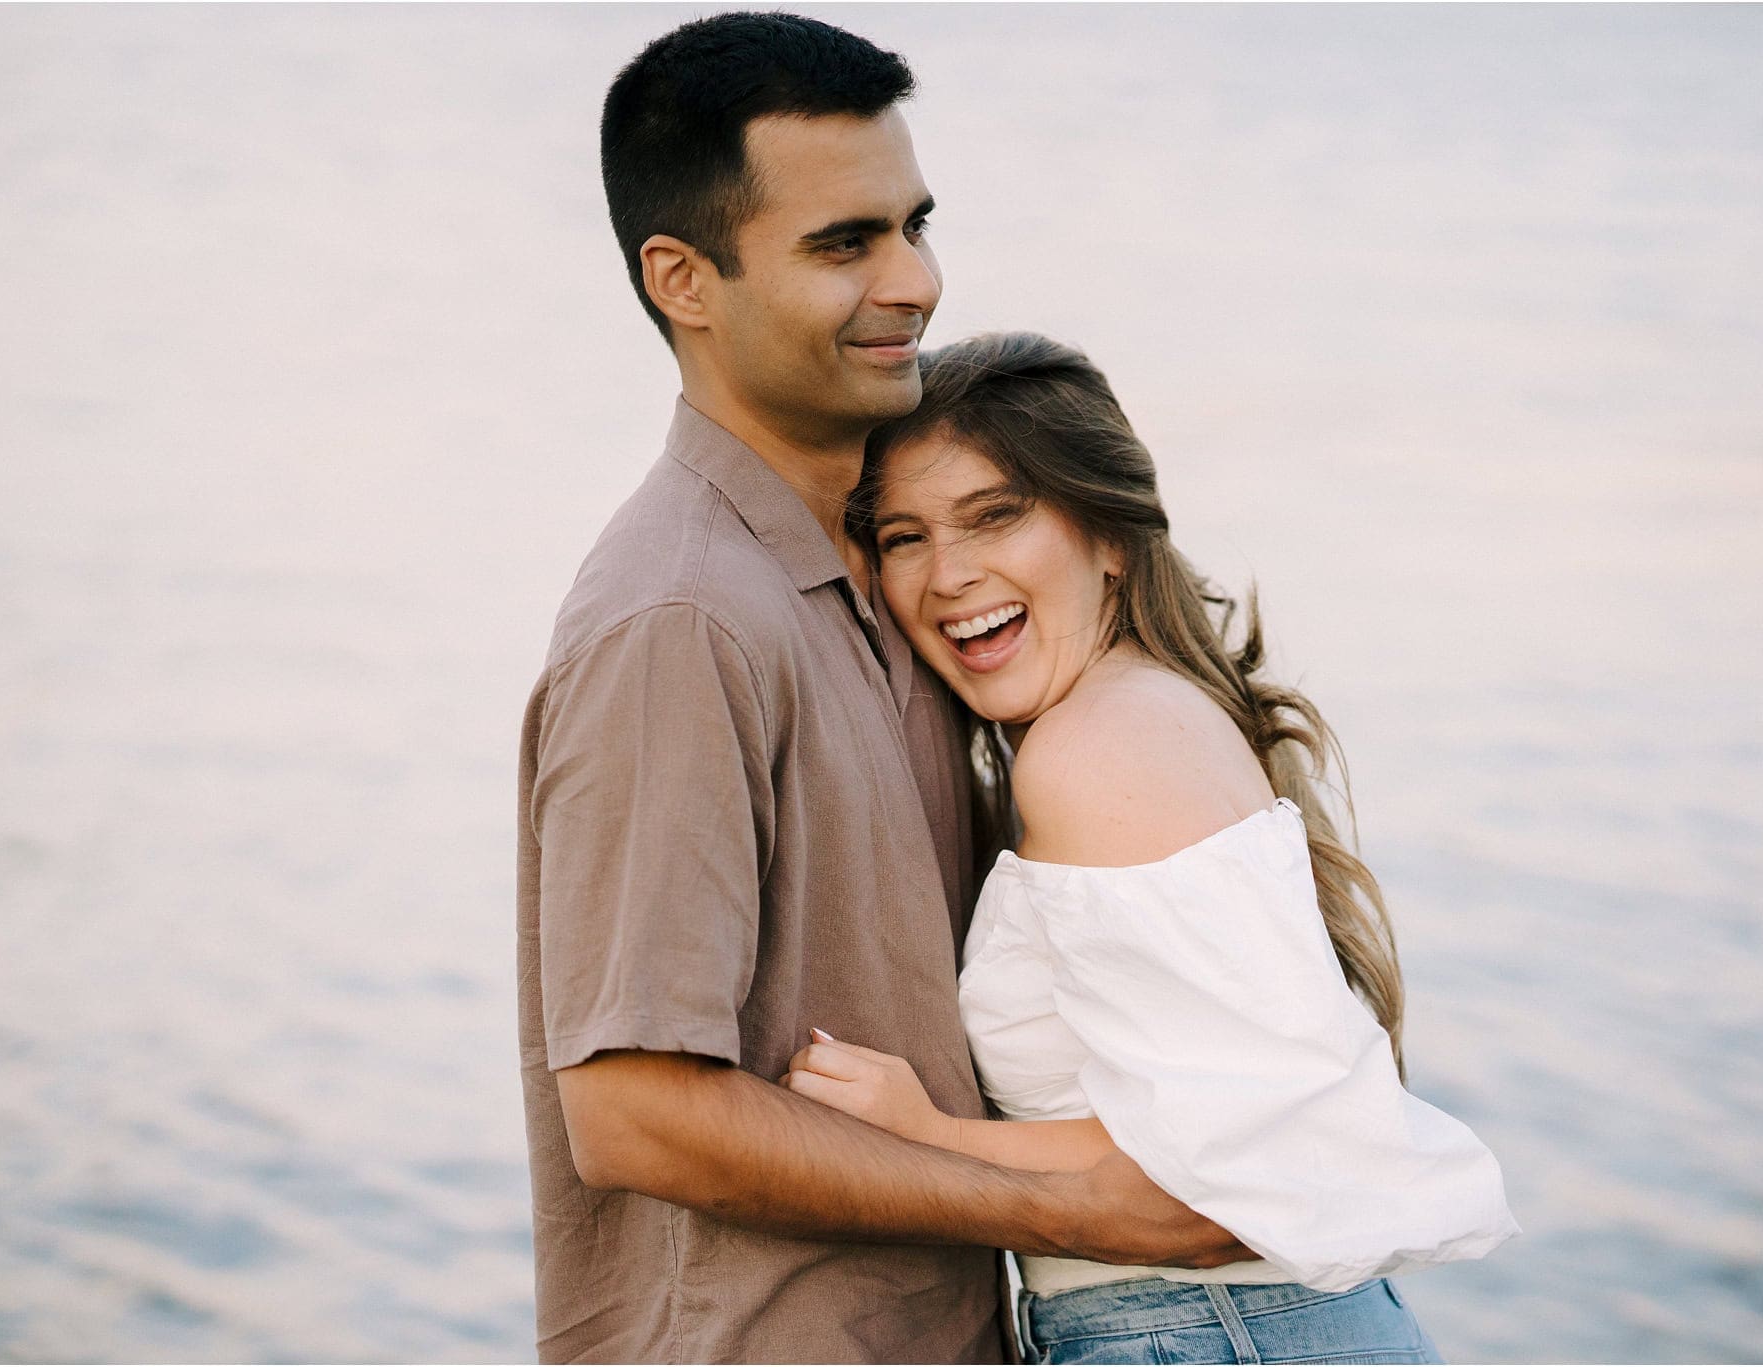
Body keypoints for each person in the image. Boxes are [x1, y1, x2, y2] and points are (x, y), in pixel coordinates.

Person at [517, 16, 1248, 1365]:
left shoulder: (897, 577)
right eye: (845, 244)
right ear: (684, 277)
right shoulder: (681, 621)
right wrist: (1066, 1199)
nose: (914, 281)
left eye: (915, 225)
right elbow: (632, 1108)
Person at [790, 331, 1521, 1364]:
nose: (949, 573)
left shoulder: (1093, 749)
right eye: (902, 536)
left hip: (1203, 1333)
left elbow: (1218, 1165)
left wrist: (921, 1131)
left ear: (1110, 536)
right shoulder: (1142, 713)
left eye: (995, 514)